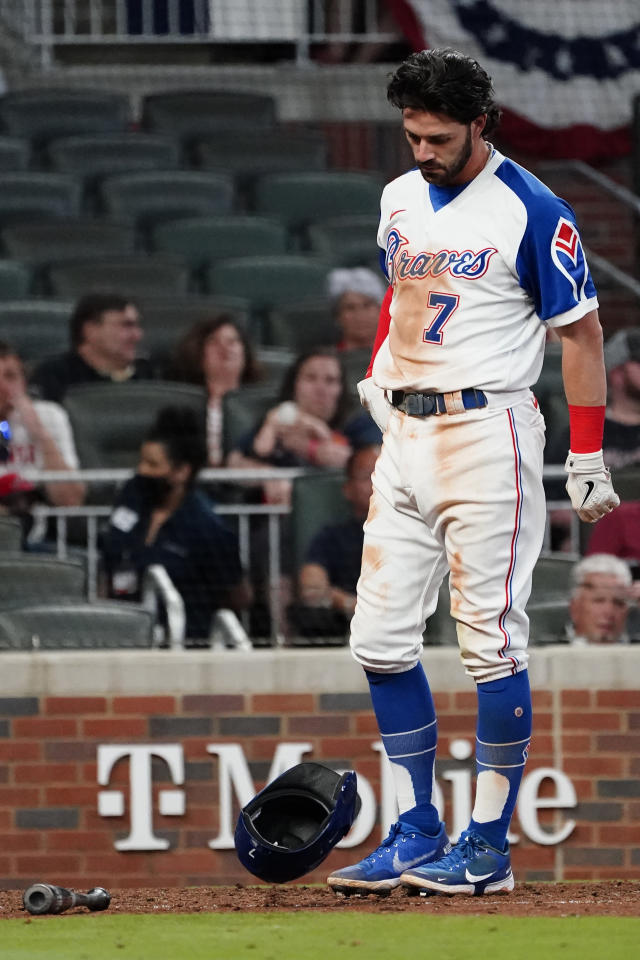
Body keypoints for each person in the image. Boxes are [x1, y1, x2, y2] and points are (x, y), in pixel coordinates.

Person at [326, 48, 620, 900]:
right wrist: (385, 366)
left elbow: (583, 332)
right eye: (413, 134)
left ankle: (486, 845)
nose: (423, 150)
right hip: (406, 433)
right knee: (379, 641)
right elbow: (401, 288)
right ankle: (417, 831)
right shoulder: (399, 195)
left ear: (481, 124)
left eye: (439, 137)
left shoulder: (533, 207)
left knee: (489, 644)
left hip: (489, 430)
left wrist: (589, 450)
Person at [100, 406, 251, 645]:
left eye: (152, 465)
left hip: (186, 641)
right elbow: (109, 564)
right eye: (142, 462)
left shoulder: (207, 527)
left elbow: (238, 595)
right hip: (124, 637)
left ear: (181, 472)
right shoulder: (131, 496)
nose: (142, 471)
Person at [227, 347, 381, 506]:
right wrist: (270, 476)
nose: (320, 389)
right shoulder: (275, 420)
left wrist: (307, 446)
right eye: (310, 378)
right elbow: (235, 462)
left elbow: (360, 464)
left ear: (341, 390)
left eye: (330, 380)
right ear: (294, 385)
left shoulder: (359, 423)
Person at [0, 341, 84, 534]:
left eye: (11, 377)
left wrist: (39, 432)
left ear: (24, 382)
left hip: (38, 541)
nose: (3, 387)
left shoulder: (49, 416)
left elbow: (70, 501)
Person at [297, 444, 380, 619]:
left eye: (384, 474)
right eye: (367, 476)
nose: (377, 482)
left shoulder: (415, 532)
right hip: (346, 623)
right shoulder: (331, 538)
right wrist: (351, 604)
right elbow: (311, 587)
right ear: (347, 489)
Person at [169, 315, 262, 466]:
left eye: (233, 341)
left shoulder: (263, 405)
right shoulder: (182, 407)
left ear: (245, 353)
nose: (225, 348)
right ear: (197, 354)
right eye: (213, 341)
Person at [30, 293, 151, 404]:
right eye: (126, 325)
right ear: (90, 330)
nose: (137, 335)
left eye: (137, 326)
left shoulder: (148, 375)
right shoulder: (53, 377)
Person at [567, 554, 635, 645]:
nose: (609, 612)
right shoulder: (547, 651)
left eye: (618, 603)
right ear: (574, 608)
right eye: (598, 601)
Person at [328, 268, 386, 352]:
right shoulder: (325, 362)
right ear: (338, 315)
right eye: (350, 307)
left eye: (367, 305)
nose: (360, 315)